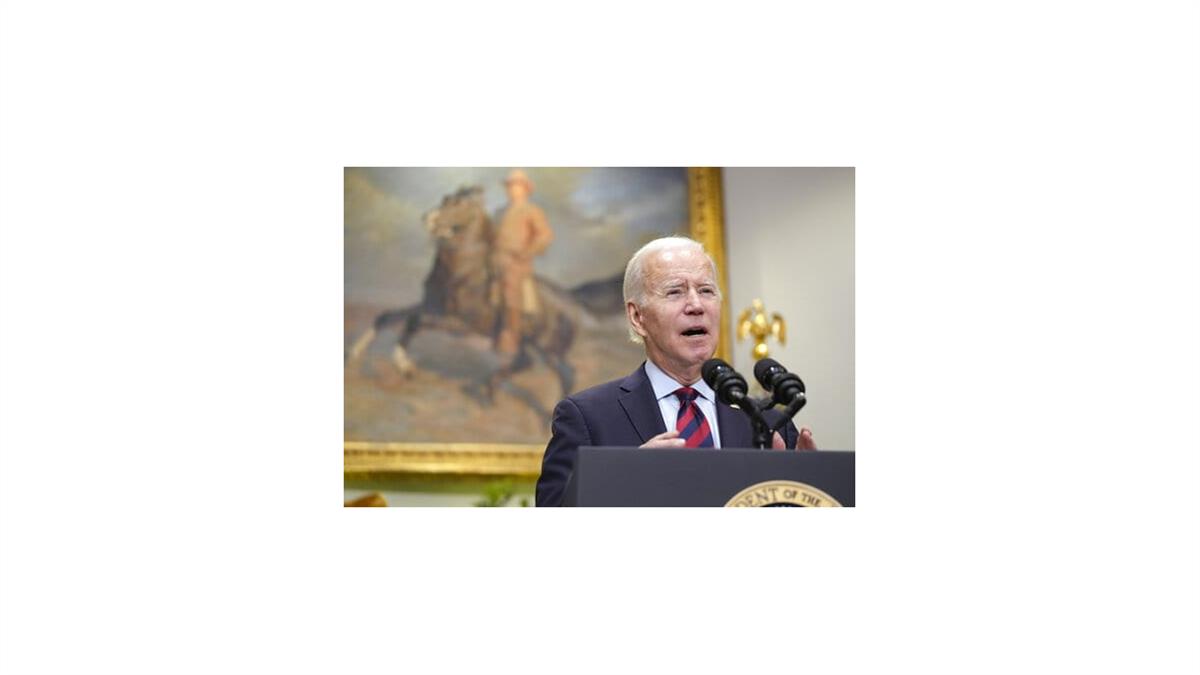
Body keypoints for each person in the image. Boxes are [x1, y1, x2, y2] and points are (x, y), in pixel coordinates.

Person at [536, 236, 817, 506]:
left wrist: (809, 489)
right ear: (637, 317)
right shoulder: (587, 418)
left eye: (706, 291)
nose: (696, 305)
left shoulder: (769, 423)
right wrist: (622, 478)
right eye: (675, 292)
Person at [490, 169, 554, 357]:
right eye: (510, 186)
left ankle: (512, 337)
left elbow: (545, 236)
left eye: (516, 186)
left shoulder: (532, 211)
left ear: (525, 189)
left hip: (516, 262)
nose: (512, 190)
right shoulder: (500, 212)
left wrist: (527, 252)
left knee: (510, 292)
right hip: (496, 259)